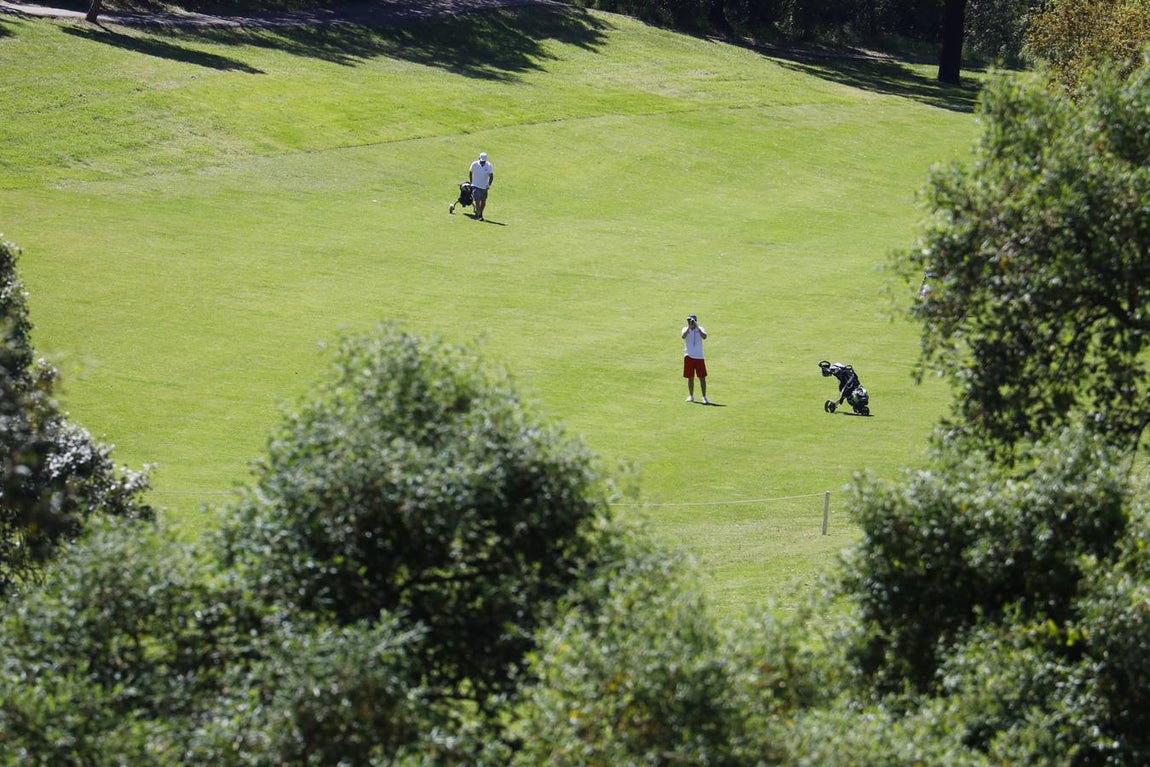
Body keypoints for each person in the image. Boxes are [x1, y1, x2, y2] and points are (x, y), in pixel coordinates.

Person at [681, 314, 709, 404]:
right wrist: (689, 328)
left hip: (699, 357)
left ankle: (704, 397)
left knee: (702, 378)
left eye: (691, 321)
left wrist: (697, 327)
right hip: (688, 356)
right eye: (688, 321)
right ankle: (691, 396)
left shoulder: (700, 329)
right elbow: (683, 336)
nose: (689, 322)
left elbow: (704, 336)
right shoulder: (685, 329)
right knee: (690, 377)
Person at [468, 152, 494, 221]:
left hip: (484, 187)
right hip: (475, 185)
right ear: (479, 158)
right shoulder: (474, 164)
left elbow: (491, 176)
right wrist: (471, 182)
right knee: (477, 200)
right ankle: (479, 216)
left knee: (483, 202)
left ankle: (480, 214)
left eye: (484, 161)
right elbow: (470, 172)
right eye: (482, 161)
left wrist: (489, 184)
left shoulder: (489, 165)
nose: (483, 162)